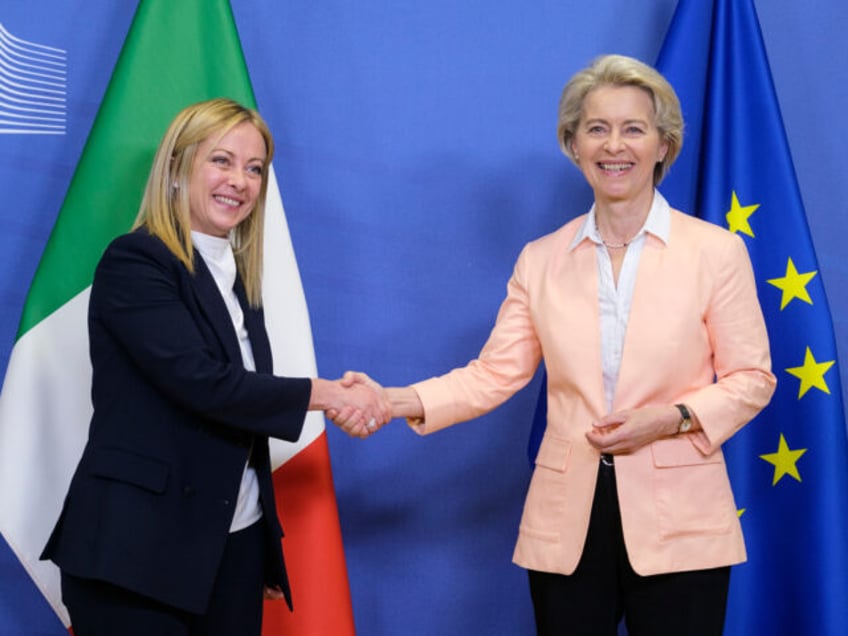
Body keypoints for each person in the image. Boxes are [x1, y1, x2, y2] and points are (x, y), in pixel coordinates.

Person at [340, 55, 776, 635]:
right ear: (572, 145)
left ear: (664, 145)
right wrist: (390, 400)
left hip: (683, 526)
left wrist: (669, 419)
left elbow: (753, 379)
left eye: (633, 129)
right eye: (596, 128)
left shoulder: (716, 252)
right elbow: (492, 375)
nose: (613, 145)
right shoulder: (540, 259)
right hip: (566, 526)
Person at [40, 97, 388, 636]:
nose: (240, 181)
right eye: (221, 161)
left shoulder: (237, 278)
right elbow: (201, 383)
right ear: (178, 168)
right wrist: (330, 395)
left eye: (254, 168)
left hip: (228, 552)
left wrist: (259, 545)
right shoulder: (137, 261)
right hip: (135, 555)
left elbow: (242, 421)